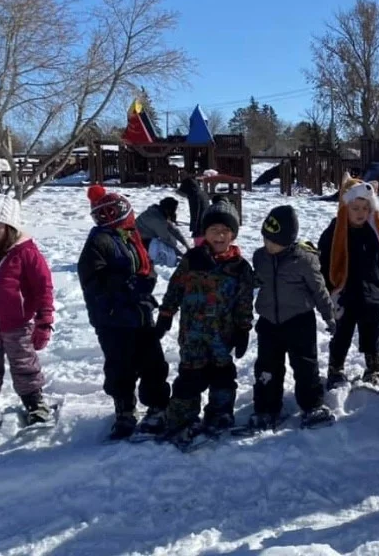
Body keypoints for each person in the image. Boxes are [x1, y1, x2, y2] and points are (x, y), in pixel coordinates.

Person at [156, 197, 254, 443]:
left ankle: (220, 414)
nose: (219, 236)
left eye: (225, 231)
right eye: (213, 230)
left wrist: (244, 328)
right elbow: (175, 289)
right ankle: (182, 419)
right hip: (193, 335)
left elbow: (244, 302)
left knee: (223, 375)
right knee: (190, 377)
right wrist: (166, 314)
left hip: (223, 335)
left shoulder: (240, 267)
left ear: (232, 235)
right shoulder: (192, 260)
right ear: (205, 232)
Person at [77, 185, 170, 440]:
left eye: (112, 212)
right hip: (113, 319)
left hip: (140, 314)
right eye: (102, 214)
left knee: (152, 362)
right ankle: (124, 409)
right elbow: (93, 278)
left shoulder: (130, 236)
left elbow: (146, 266)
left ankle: (157, 406)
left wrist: (147, 280)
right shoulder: (99, 241)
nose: (107, 218)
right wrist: (124, 285)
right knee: (120, 365)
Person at [250, 205, 337, 430]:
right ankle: (267, 408)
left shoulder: (304, 261)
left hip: (299, 322)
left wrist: (329, 316)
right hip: (269, 322)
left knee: (305, 365)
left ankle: (312, 405)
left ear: (288, 241)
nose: (268, 245)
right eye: (265, 239)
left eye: (274, 241)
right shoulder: (260, 257)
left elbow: (319, 290)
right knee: (267, 367)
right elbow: (255, 283)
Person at [318, 174, 379, 390]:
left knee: (372, 335)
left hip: (372, 294)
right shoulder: (334, 233)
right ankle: (335, 369)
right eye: (355, 208)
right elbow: (323, 262)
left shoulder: (378, 233)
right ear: (345, 208)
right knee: (341, 335)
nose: (361, 213)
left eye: (365, 208)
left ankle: (374, 368)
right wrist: (328, 292)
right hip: (344, 294)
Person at [0, 195, 54, 431]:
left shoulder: (25, 253)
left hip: (18, 324)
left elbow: (43, 288)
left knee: (25, 366)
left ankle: (35, 404)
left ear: (10, 226)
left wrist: (44, 322)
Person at [135, 197, 191, 266]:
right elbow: (166, 240)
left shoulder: (159, 212)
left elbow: (174, 230)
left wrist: (187, 246)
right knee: (165, 246)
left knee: (171, 240)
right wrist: (181, 255)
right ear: (167, 210)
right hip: (139, 241)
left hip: (147, 236)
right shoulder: (157, 219)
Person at [176, 176, 210, 246]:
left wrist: (194, 228)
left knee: (200, 247)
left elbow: (195, 213)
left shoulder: (195, 197)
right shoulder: (201, 193)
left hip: (200, 228)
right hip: (207, 224)